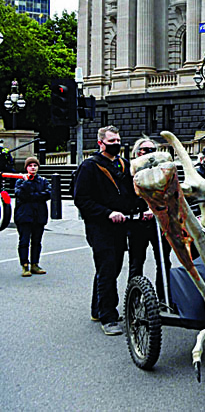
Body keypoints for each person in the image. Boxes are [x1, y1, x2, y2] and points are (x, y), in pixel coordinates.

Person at [73, 125, 140, 336]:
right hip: (100, 227)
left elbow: (131, 193)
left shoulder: (123, 164)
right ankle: (108, 317)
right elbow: (81, 199)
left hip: (121, 227)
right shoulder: (90, 167)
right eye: (111, 141)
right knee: (108, 269)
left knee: (109, 268)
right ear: (100, 143)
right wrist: (107, 213)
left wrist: (142, 208)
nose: (116, 144)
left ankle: (98, 308)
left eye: (118, 140)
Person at [128, 137, 172, 302]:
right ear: (137, 152)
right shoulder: (130, 170)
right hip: (138, 222)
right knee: (136, 263)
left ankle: (165, 298)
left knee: (163, 261)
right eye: (145, 150)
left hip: (159, 222)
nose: (148, 154)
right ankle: (134, 300)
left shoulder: (162, 172)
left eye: (152, 150)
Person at [14, 157, 51, 277]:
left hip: (39, 216)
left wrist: (32, 196)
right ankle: (25, 265)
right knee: (24, 241)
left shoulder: (43, 181)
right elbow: (20, 194)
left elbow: (48, 194)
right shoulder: (20, 181)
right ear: (26, 168)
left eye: (35, 165)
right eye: (30, 165)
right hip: (24, 216)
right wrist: (27, 183)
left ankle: (35, 264)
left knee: (37, 241)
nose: (33, 167)